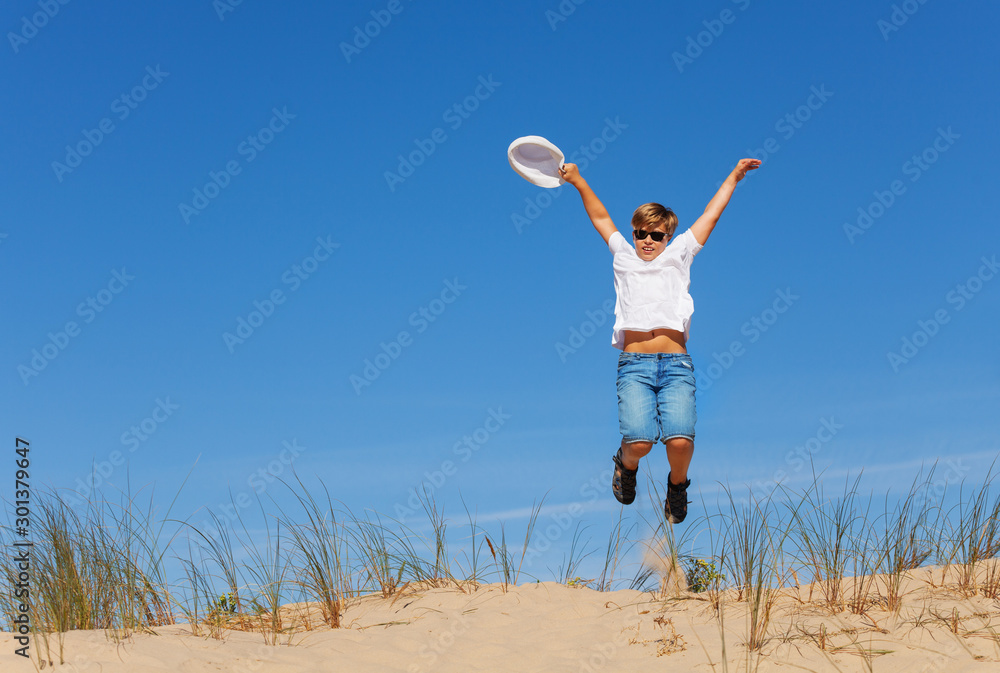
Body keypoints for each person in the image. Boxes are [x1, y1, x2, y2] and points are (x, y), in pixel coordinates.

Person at [559, 158, 760, 523]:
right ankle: (626, 465)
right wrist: (578, 181)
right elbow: (601, 218)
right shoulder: (622, 255)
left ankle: (677, 487)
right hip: (634, 366)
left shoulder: (680, 255)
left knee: (680, 441)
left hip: (676, 366)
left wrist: (733, 176)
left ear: (668, 238)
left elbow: (711, 215)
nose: (648, 241)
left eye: (657, 235)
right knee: (640, 442)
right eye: (642, 233)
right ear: (634, 233)